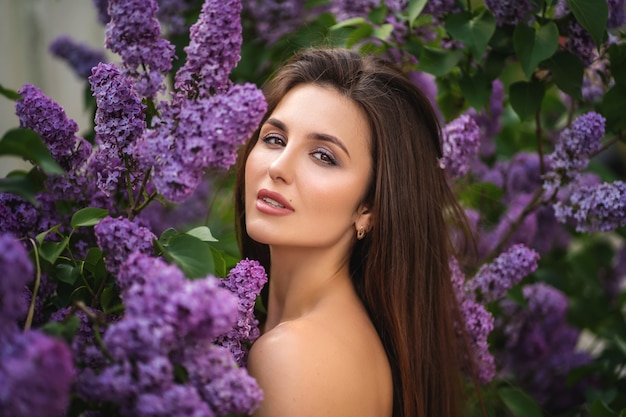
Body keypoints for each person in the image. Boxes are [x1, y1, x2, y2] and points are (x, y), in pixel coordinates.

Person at [234, 47, 471, 417]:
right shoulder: (351, 337)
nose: (278, 167)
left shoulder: (291, 355)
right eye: (274, 139)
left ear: (368, 208)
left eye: (323, 156)